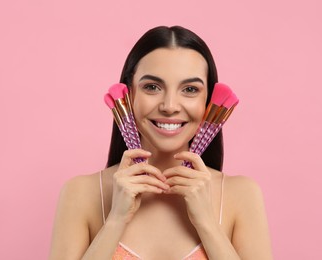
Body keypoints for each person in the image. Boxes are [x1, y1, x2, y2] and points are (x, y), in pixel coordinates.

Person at [49, 26, 272, 259]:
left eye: (190, 89)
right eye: (152, 87)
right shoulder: (81, 194)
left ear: (209, 101)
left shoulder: (241, 195)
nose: (170, 105)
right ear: (128, 95)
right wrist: (115, 220)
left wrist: (207, 223)